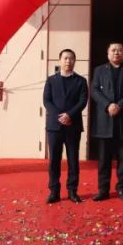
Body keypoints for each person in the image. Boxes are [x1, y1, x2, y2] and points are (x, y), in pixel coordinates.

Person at [91, 42, 123, 201]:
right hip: (105, 121)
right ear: (108, 54)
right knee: (103, 159)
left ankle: (122, 189)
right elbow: (94, 90)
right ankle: (103, 189)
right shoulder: (99, 70)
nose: (116, 52)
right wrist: (108, 105)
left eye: (119, 50)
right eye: (113, 50)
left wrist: (120, 105)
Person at [42, 49, 89, 204]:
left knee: (73, 160)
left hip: (73, 125)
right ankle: (54, 191)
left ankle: (72, 191)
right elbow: (47, 101)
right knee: (54, 160)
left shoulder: (81, 81)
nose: (68, 61)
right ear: (60, 60)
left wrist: (69, 115)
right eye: (65, 58)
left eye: (71, 58)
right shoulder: (51, 80)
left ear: (75, 61)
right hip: (54, 127)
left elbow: (83, 101)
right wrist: (60, 117)